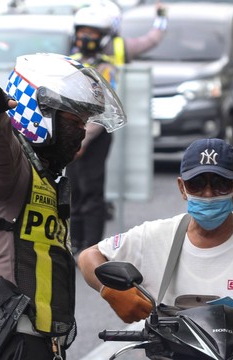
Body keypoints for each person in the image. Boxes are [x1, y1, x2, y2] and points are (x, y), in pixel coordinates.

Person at [0, 53, 127, 360]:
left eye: (86, 122)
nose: (83, 131)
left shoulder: (45, 177)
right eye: (75, 121)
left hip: (35, 344)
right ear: (41, 113)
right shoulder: (10, 170)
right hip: (1, 341)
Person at [78, 138, 233, 338]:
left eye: (220, 184)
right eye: (196, 184)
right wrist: (110, 290)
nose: (208, 194)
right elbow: (89, 256)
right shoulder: (153, 236)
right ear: (182, 188)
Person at [68, 0, 167, 254]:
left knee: (91, 189)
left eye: (91, 33)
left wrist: (162, 17)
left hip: (97, 131)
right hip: (73, 132)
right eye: (81, 32)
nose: (85, 38)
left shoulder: (112, 58)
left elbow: (101, 108)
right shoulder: (72, 57)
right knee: (73, 188)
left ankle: (89, 247)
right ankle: (74, 243)